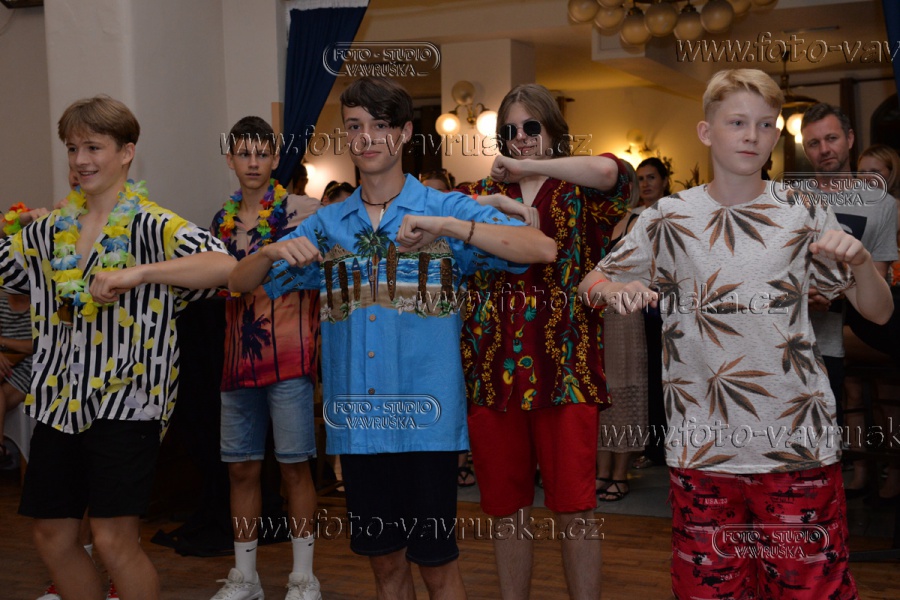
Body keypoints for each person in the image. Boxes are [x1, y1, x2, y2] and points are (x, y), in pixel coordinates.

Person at [228, 76, 556, 600]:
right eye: (355, 126)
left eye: (380, 125)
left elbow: (540, 248)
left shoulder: (445, 210)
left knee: (437, 568)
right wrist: (268, 252)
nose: (367, 137)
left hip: (427, 425)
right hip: (359, 427)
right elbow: (238, 283)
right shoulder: (328, 225)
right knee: (385, 569)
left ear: (404, 133)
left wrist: (449, 227)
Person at [579, 68, 893, 599]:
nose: (752, 135)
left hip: (795, 443)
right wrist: (614, 291)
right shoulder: (669, 216)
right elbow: (591, 282)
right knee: (710, 590)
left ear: (775, 136)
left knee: (808, 589)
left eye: (766, 124)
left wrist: (862, 261)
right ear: (706, 132)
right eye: (737, 122)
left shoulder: (802, 209)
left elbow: (878, 313)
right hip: (701, 446)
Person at [0, 95, 235, 600]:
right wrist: (9, 226)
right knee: (52, 536)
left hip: (128, 402)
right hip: (58, 401)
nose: (81, 160)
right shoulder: (48, 232)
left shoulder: (153, 225)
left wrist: (140, 273)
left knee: (112, 540)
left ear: (126, 152)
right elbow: (11, 279)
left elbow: (224, 266)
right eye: (72, 148)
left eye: (94, 147)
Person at [457, 83, 628, 600]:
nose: (521, 137)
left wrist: (528, 167)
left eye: (532, 126)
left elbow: (612, 173)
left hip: (565, 371)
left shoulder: (581, 192)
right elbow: (443, 228)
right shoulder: (484, 195)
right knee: (506, 511)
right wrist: (494, 197)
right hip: (493, 373)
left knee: (576, 509)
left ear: (554, 131)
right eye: (510, 130)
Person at [209, 116, 323, 600]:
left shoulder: (305, 212)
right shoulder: (220, 221)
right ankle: (245, 577)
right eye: (244, 153)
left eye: (262, 154)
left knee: (295, 467)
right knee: (241, 468)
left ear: (276, 159)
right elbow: (219, 283)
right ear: (230, 159)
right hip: (238, 359)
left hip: (290, 359)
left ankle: (304, 577)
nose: (253, 162)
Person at [800, 104, 899, 497]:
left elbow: (879, 278)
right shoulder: (789, 200)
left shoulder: (882, 205)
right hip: (794, 338)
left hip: (838, 337)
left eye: (831, 138)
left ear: (850, 139)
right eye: (813, 143)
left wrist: (833, 292)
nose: (824, 149)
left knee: (831, 434)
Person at [595, 162, 647, 502]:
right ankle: (601, 471)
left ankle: (620, 473)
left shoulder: (638, 220)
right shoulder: (593, 219)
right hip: (593, 313)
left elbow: (642, 268)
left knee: (625, 391)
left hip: (624, 314)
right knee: (600, 394)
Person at [630, 156, 671, 472]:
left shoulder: (675, 212)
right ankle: (650, 447)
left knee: (668, 376)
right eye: (640, 178)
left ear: (664, 181)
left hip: (669, 305)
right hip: (636, 306)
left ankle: (673, 446)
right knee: (646, 377)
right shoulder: (631, 217)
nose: (645, 184)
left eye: (651, 177)